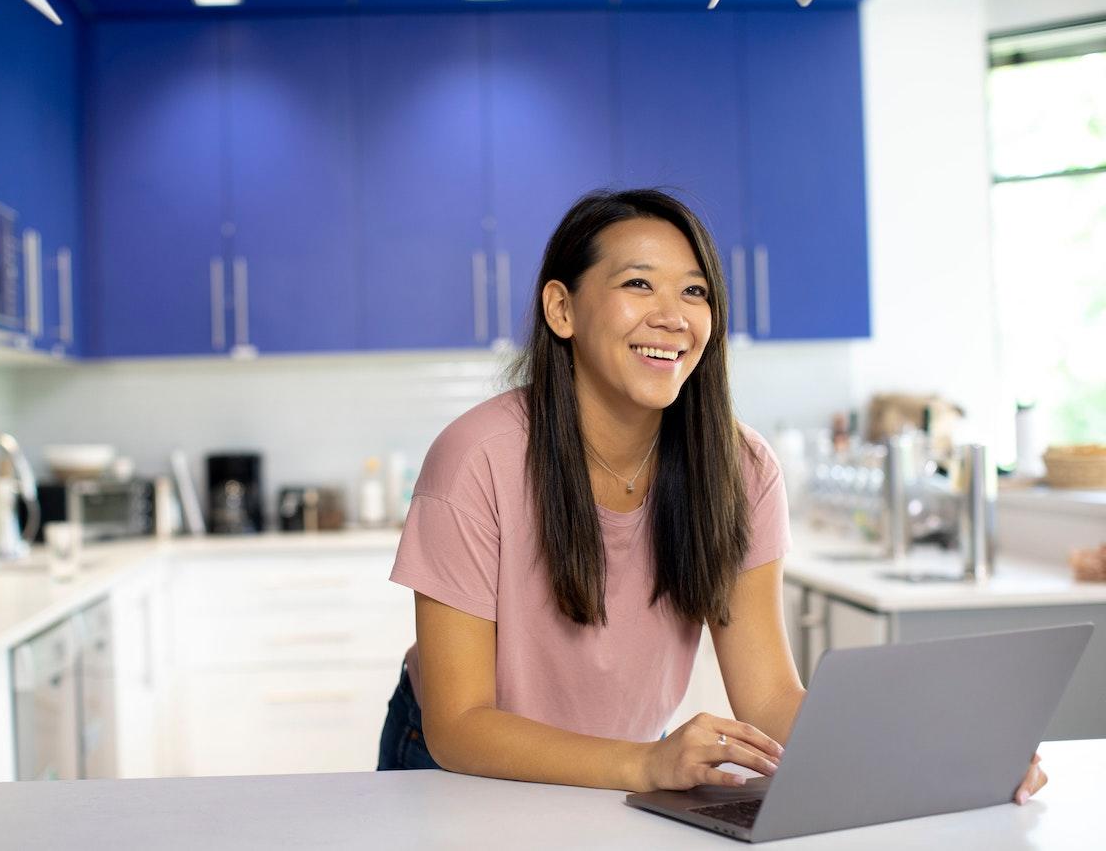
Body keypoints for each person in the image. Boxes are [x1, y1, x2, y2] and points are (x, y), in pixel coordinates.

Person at [376, 188, 1047, 803]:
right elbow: (460, 725)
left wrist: (944, 755)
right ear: (562, 308)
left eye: (695, 292)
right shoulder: (476, 458)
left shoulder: (740, 468)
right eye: (639, 283)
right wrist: (646, 764)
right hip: (457, 767)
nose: (672, 317)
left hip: (617, 772)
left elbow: (770, 698)